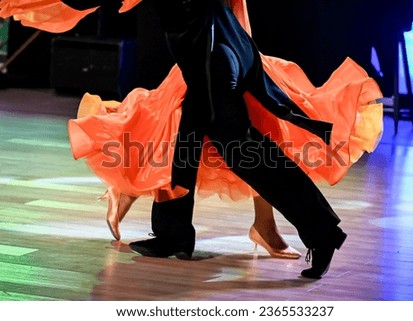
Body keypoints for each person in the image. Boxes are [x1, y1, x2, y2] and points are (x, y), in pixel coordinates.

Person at [1, 0, 383, 279]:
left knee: (243, 150)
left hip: (211, 55)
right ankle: (173, 234)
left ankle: (322, 231)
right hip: (213, 46)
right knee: (187, 134)